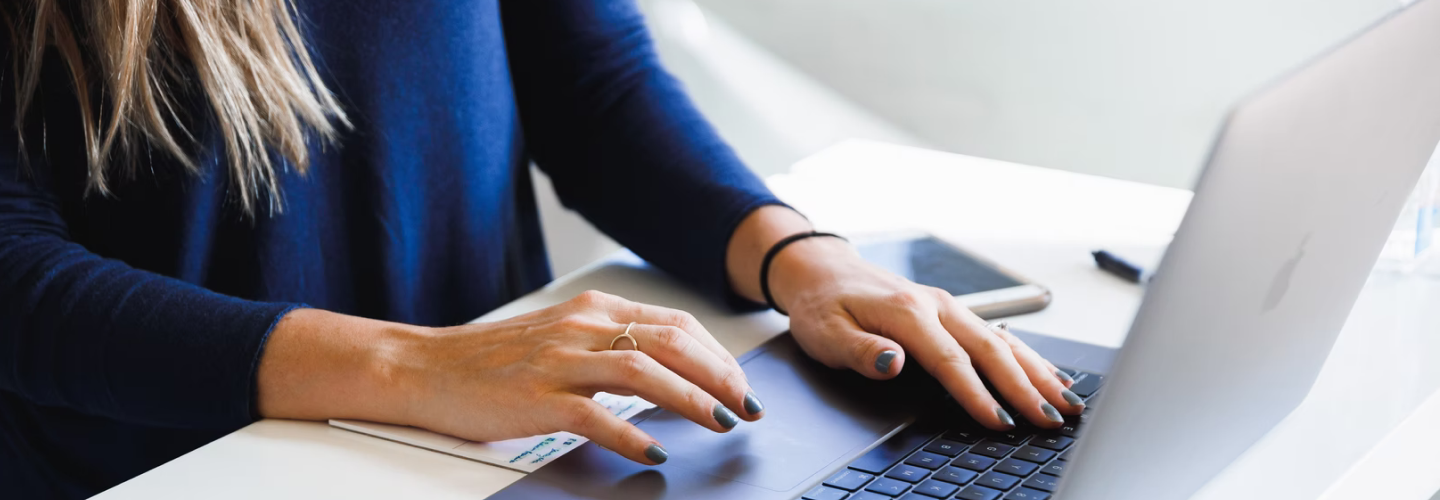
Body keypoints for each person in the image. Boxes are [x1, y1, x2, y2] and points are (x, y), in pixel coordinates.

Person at [0, 0, 1084, 497]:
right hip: (192, 465)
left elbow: (591, 81)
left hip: (502, 447)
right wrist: (412, 366)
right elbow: (17, 281)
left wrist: (799, 258)